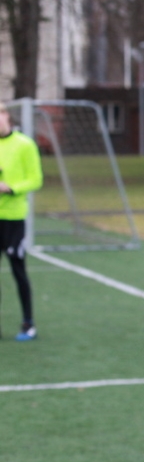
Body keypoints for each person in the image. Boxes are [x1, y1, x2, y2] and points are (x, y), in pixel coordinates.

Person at [0, 104, 43, 341]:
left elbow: (36, 179)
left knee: (18, 270)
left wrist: (11, 188)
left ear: (6, 115)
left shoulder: (24, 144)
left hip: (14, 220)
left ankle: (28, 323)